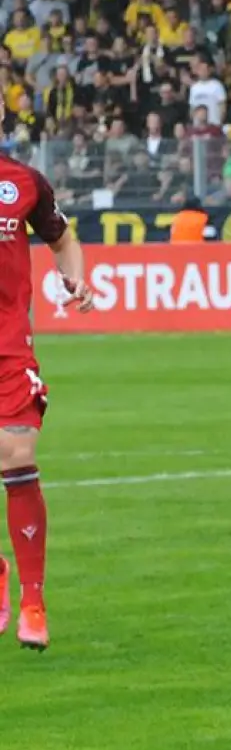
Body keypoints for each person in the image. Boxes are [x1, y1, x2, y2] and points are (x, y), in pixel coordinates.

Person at [0, 101, 95, 650]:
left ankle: (33, 602)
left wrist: (75, 279)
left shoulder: (23, 182)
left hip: (10, 347)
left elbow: (62, 239)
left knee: (17, 457)